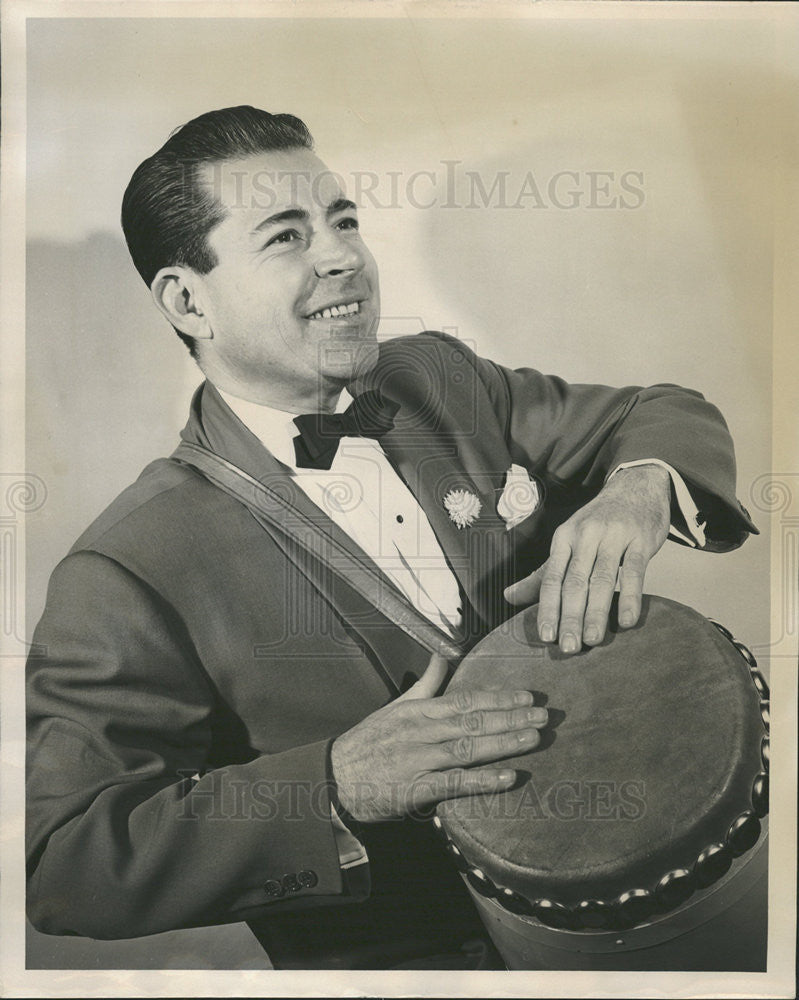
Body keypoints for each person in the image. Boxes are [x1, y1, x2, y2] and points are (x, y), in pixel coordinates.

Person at [26, 106, 756, 970]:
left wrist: (636, 489)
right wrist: (332, 784)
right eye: (287, 236)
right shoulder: (126, 569)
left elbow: (656, 413)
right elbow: (67, 861)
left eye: (343, 220)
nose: (342, 256)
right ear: (188, 300)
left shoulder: (436, 378)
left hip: (681, 918)